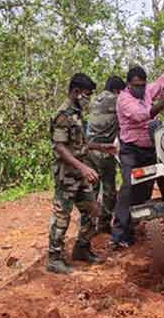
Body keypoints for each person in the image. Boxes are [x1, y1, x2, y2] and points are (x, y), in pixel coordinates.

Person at [110, 57, 164, 250]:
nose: (140, 89)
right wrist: (161, 102)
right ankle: (119, 235)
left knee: (163, 181)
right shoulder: (124, 100)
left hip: (151, 147)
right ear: (128, 85)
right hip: (131, 150)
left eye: (142, 85)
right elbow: (142, 115)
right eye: (136, 86)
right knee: (128, 188)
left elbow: (160, 82)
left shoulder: (146, 92)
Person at [47, 73, 117, 274]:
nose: (89, 99)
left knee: (94, 210)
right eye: (87, 94)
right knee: (62, 216)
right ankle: (54, 258)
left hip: (79, 174)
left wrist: (102, 147)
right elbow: (59, 148)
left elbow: (79, 144)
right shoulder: (63, 115)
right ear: (76, 92)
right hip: (66, 175)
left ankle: (82, 248)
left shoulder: (76, 113)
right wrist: (84, 168)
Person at [87, 76, 125, 233]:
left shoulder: (96, 99)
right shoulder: (116, 100)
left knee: (92, 189)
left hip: (89, 149)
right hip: (104, 150)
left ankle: (88, 225)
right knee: (109, 189)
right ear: (117, 90)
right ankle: (103, 224)